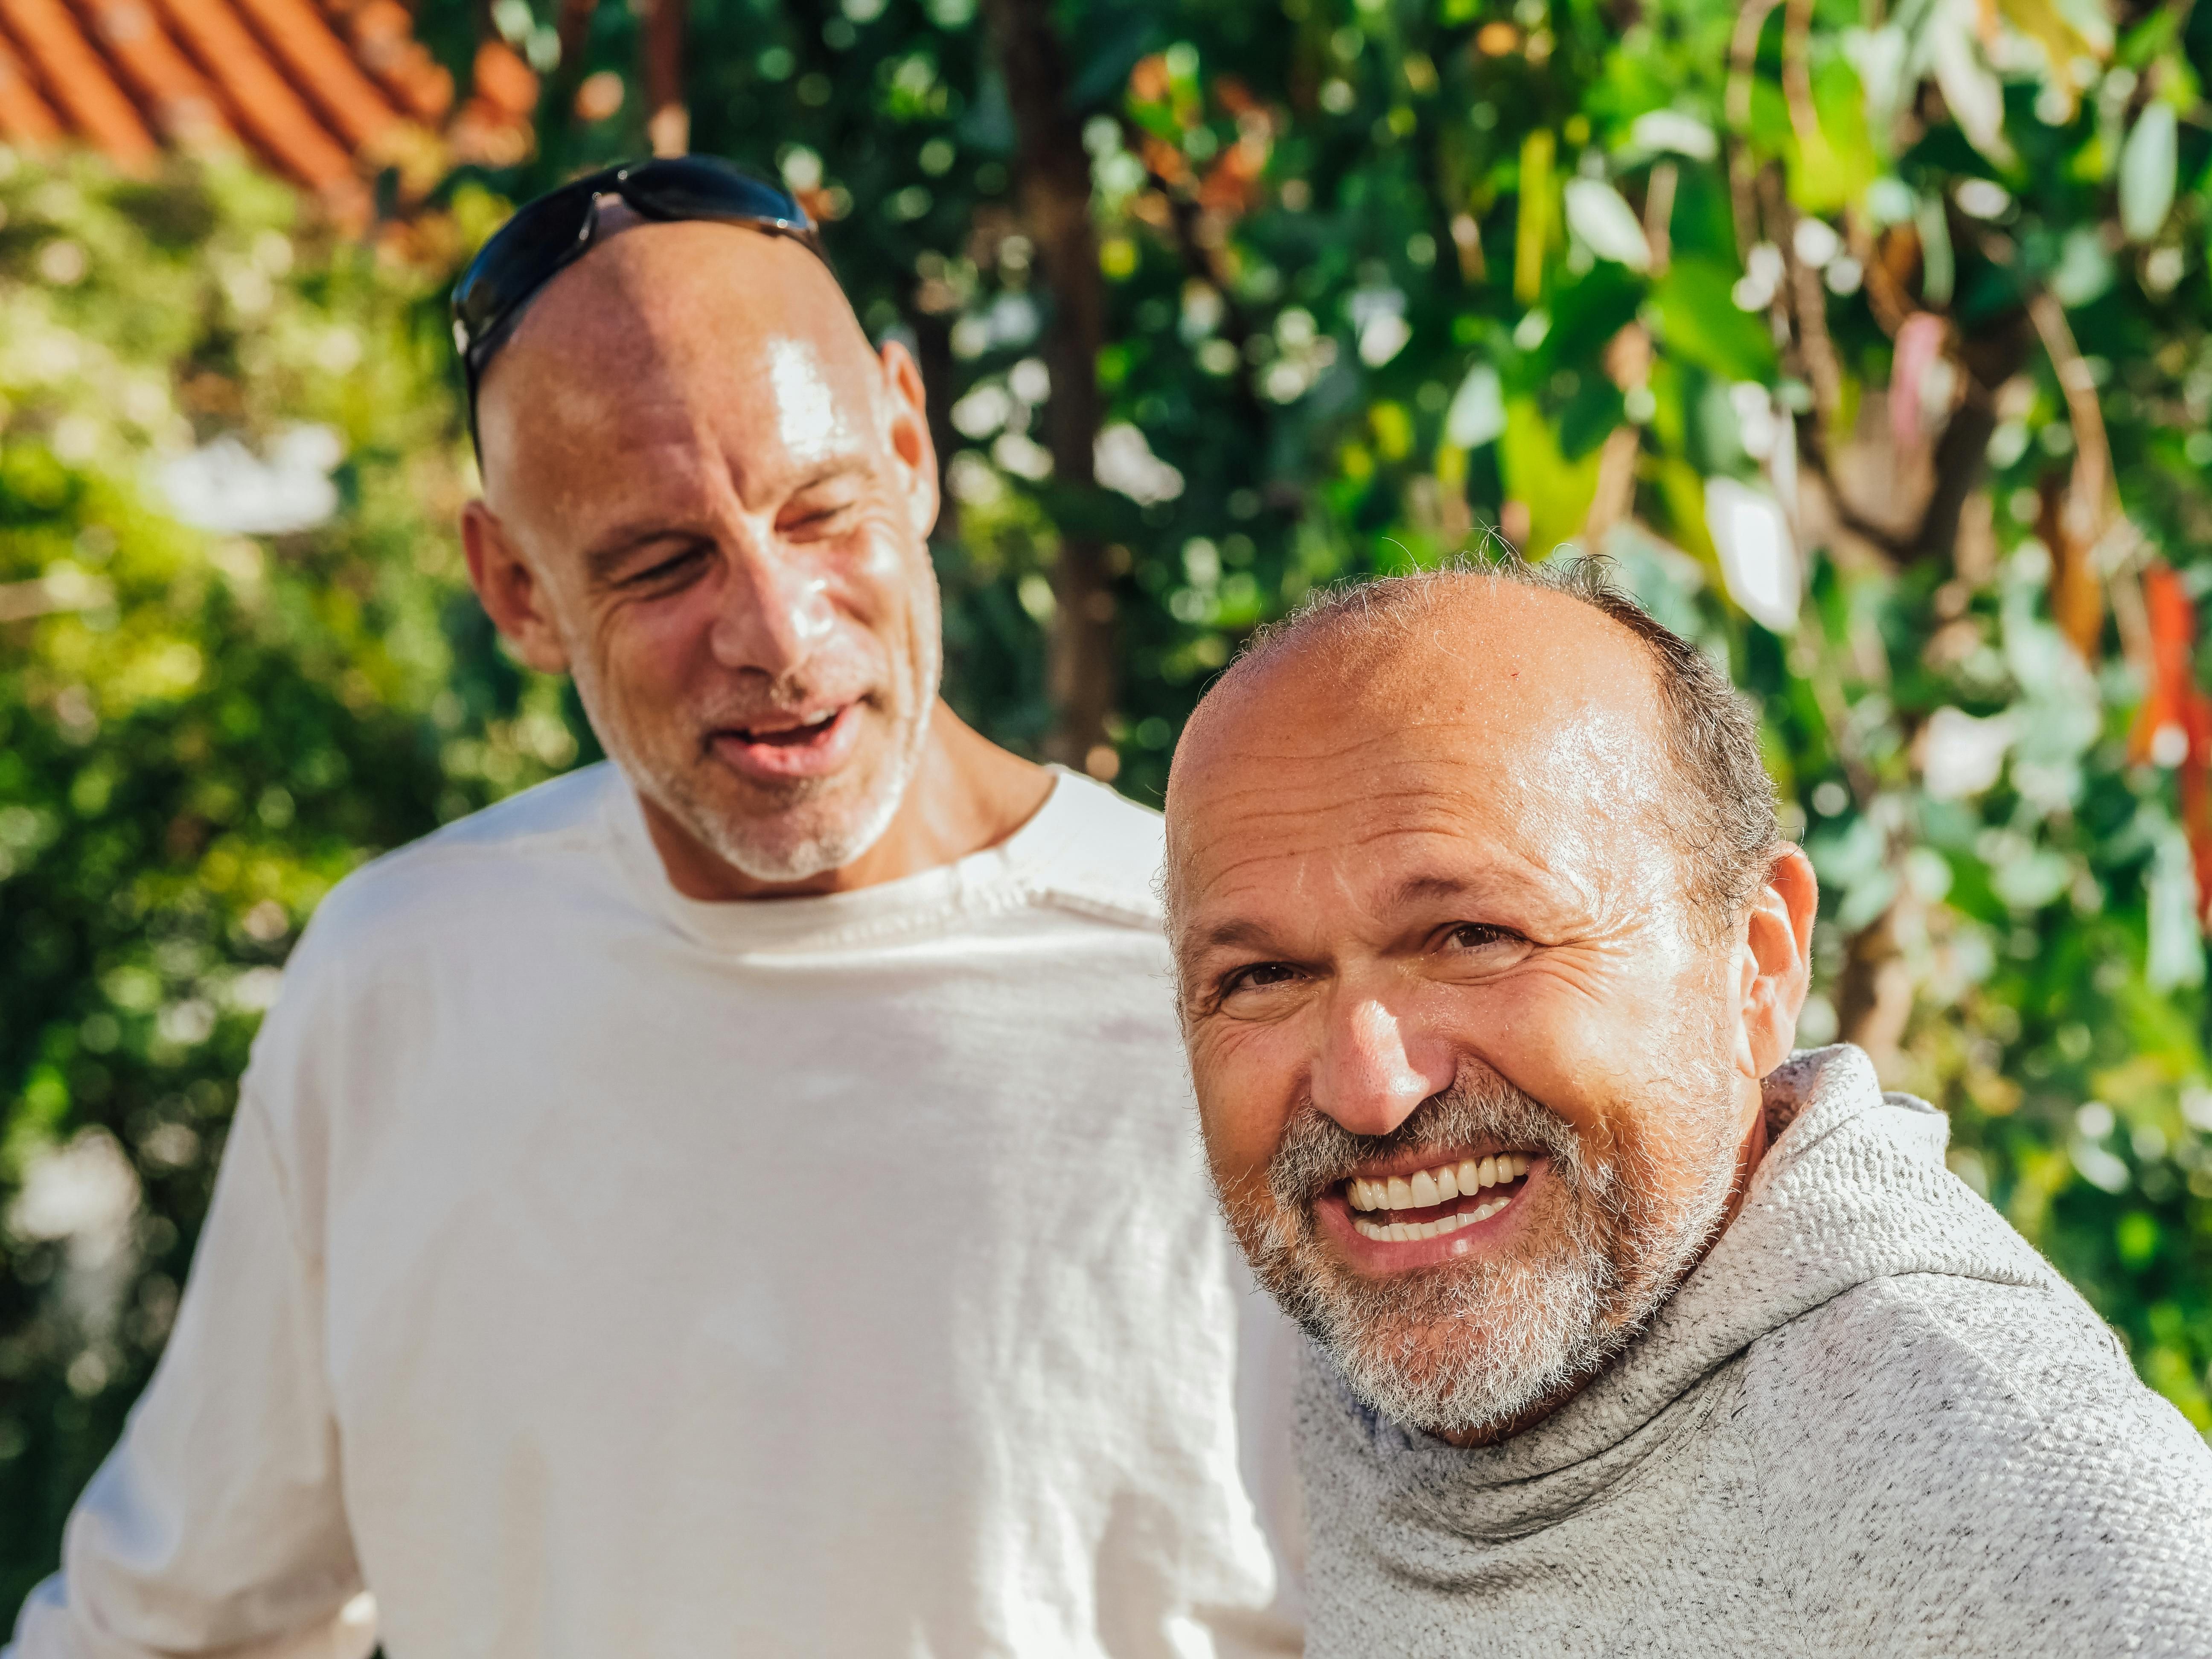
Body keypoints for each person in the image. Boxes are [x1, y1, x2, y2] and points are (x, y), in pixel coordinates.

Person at [8, 157, 1302, 1658]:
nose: (776, 632)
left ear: (908, 437)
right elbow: (169, 1630)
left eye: (821, 512)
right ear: (514, 588)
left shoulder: (1235, 999)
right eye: (664, 562)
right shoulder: (404, 984)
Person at [1162, 556, 2212, 1657]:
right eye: (1263, 978)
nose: (1370, 1092)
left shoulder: (2029, 1535)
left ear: (1758, 965)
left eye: (1477, 938)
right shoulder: (1369, 1366)